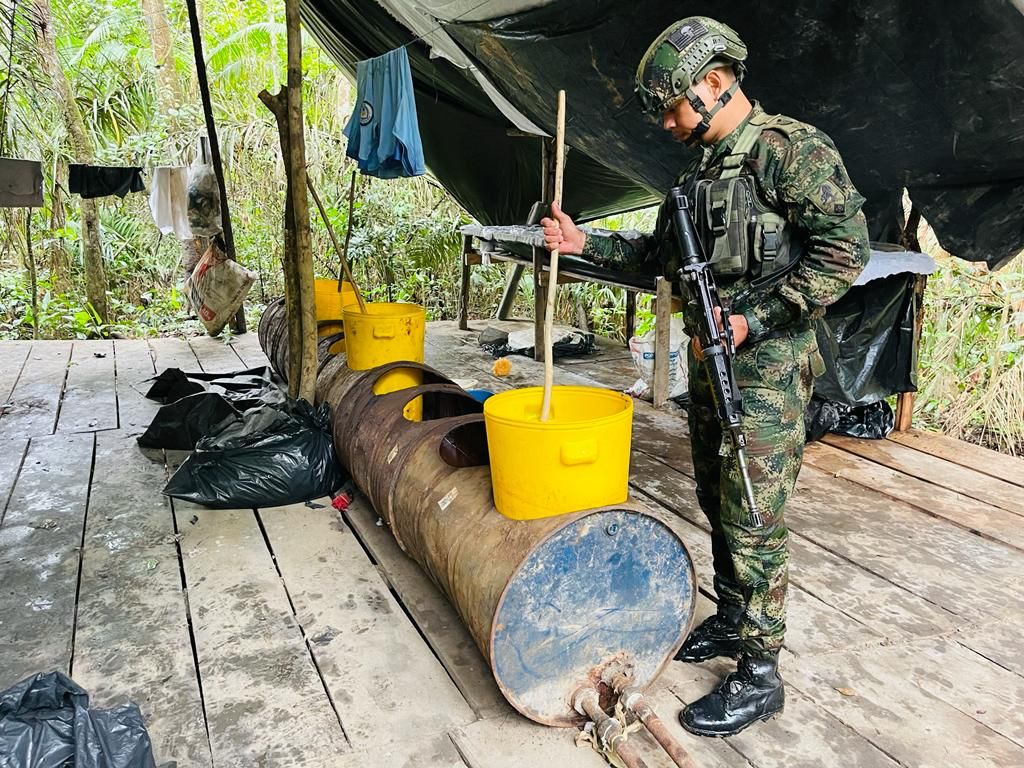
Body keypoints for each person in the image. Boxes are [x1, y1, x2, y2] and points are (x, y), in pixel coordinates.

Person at [540, 16, 869, 737]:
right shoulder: (696, 174)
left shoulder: (792, 152)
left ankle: (761, 671)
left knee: (753, 512)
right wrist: (583, 239)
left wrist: (756, 318)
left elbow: (847, 252)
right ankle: (732, 616)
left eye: (674, 106)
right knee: (717, 497)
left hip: (771, 370)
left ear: (714, 84)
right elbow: (658, 255)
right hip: (710, 363)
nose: (666, 123)